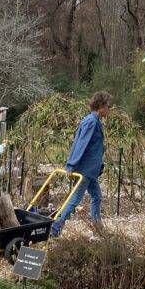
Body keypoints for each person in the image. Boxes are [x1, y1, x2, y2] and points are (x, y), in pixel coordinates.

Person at [51, 91, 112, 237]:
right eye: (107, 106)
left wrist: (99, 164)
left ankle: (97, 228)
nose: (109, 109)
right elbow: (80, 143)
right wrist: (71, 165)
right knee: (75, 199)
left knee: (96, 196)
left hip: (91, 171)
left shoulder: (94, 121)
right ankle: (55, 226)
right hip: (85, 170)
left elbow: (92, 147)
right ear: (101, 106)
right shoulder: (91, 121)